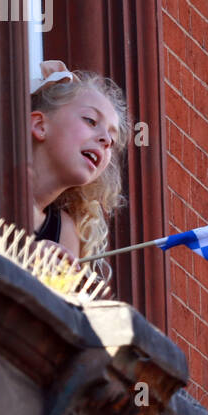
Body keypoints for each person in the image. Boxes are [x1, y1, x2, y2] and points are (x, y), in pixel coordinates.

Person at [28, 60, 130, 265]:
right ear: (39, 125)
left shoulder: (64, 232)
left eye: (113, 139)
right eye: (91, 120)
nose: (106, 140)